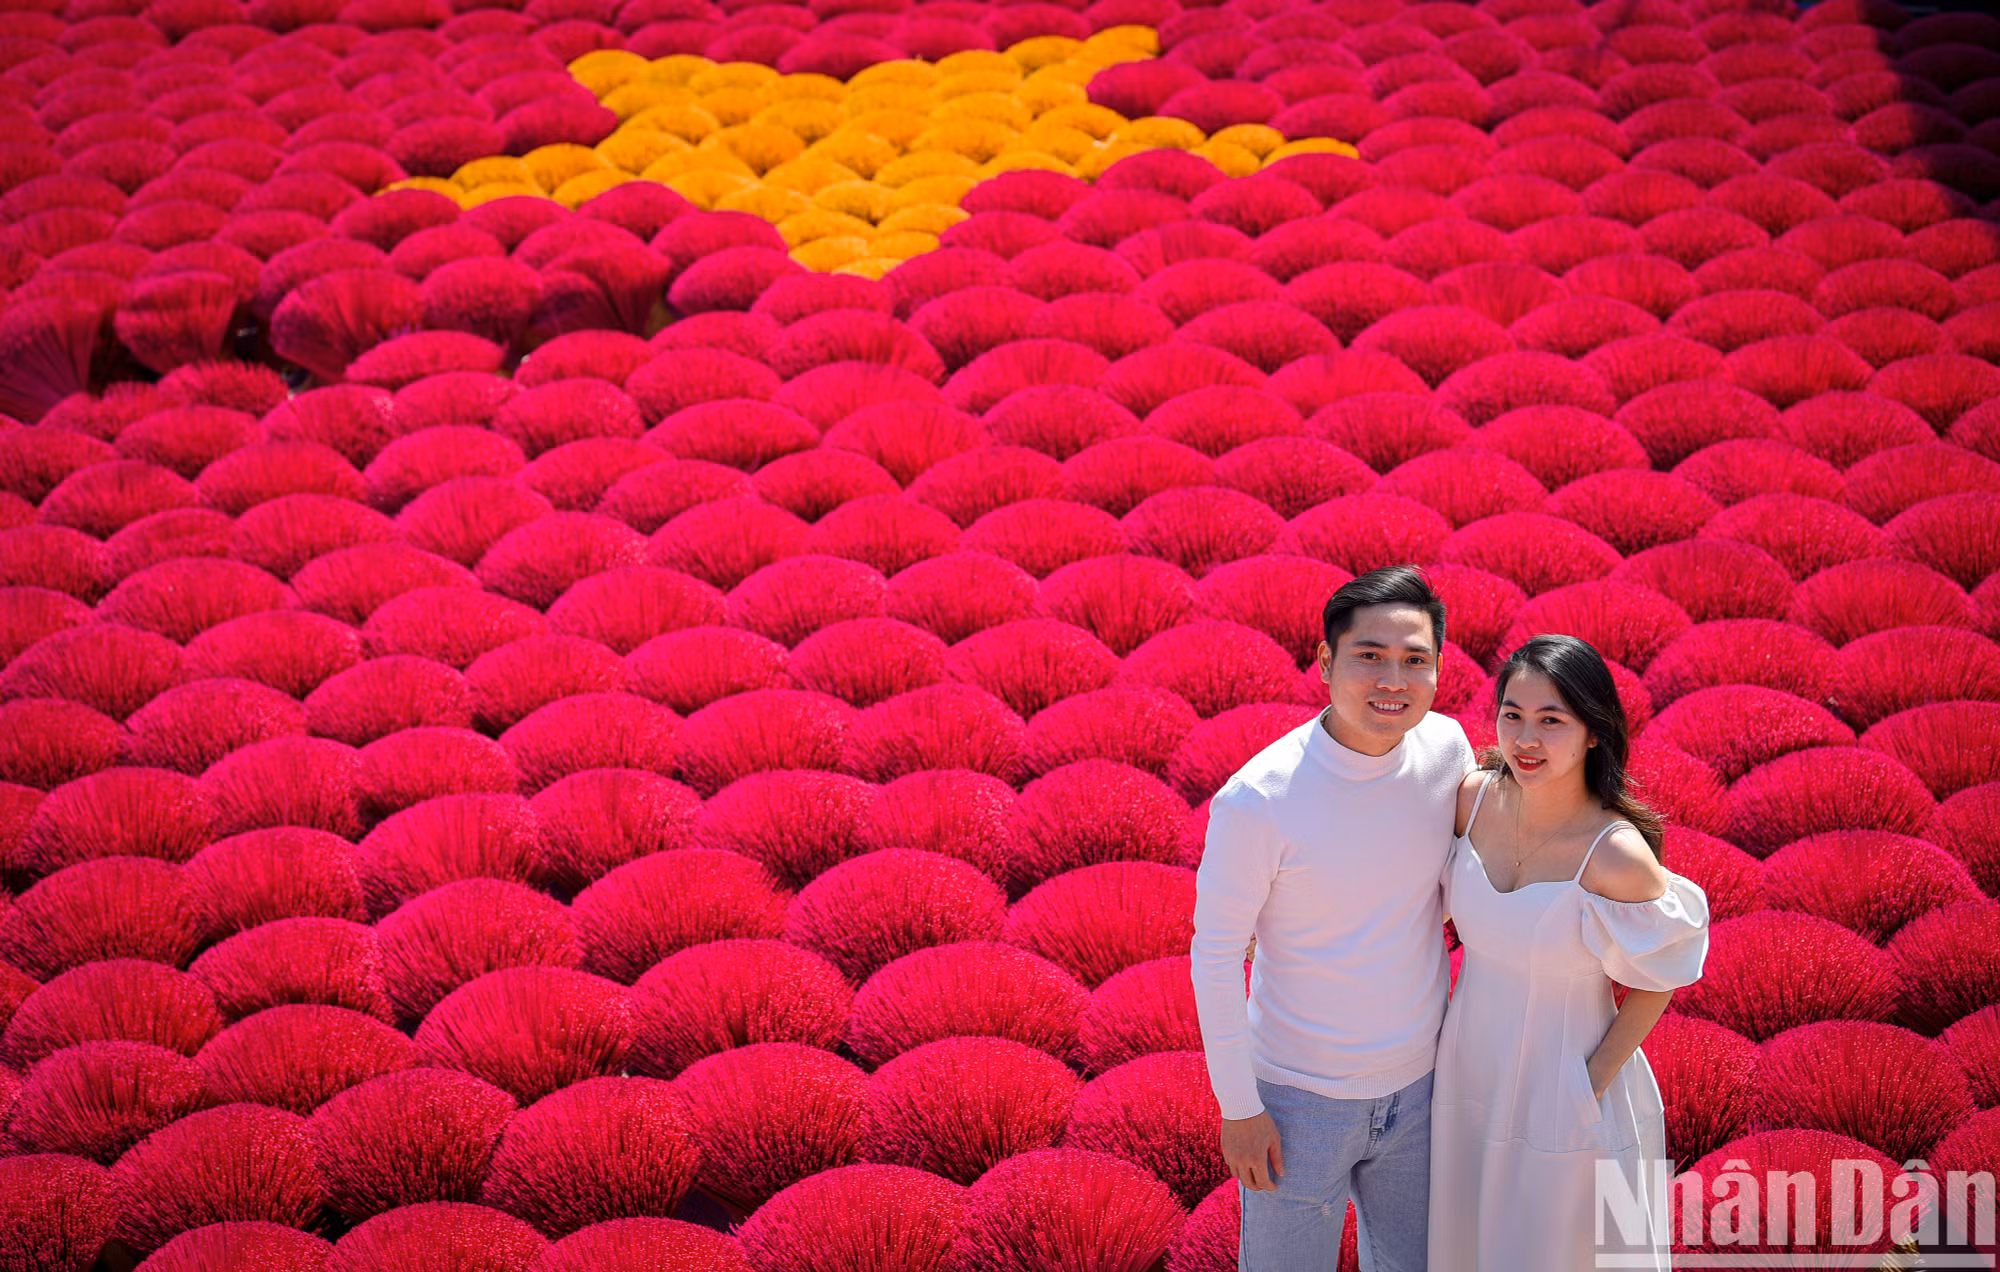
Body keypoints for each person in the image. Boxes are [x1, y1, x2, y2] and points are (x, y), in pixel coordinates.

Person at [1192, 565, 1476, 1271]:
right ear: (1325, 662)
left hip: (1423, 1089)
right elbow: (1217, 953)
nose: (1392, 680)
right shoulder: (1259, 798)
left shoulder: (1448, 752)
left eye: (1415, 660)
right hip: (1296, 1102)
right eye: (1369, 657)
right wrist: (1239, 1107)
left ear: (1438, 670)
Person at [1429, 633, 1711, 1271]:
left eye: (1551, 721)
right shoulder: (1471, 801)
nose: (1527, 740)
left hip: (1569, 1073)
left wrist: (1588, 1083)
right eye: (1513, 716)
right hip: (1468, 1068)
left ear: (1592, 733)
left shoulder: (1614, 851)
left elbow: (1660, 976)